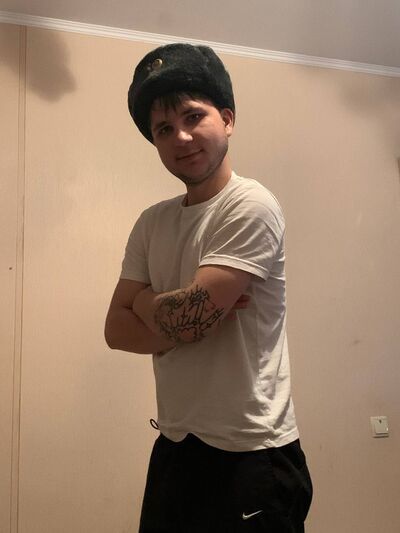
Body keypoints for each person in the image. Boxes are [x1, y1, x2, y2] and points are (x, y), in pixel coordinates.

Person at [105, 43, 312, 533]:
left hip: (251, 455)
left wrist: (143, 302)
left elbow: (183, 320)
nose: (181, 136)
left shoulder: (251, 204)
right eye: (163, 129)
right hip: (175, 446)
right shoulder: (152, 222)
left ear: (227, 118)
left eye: (193, 116)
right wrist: (181, 312)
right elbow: (116, 330)